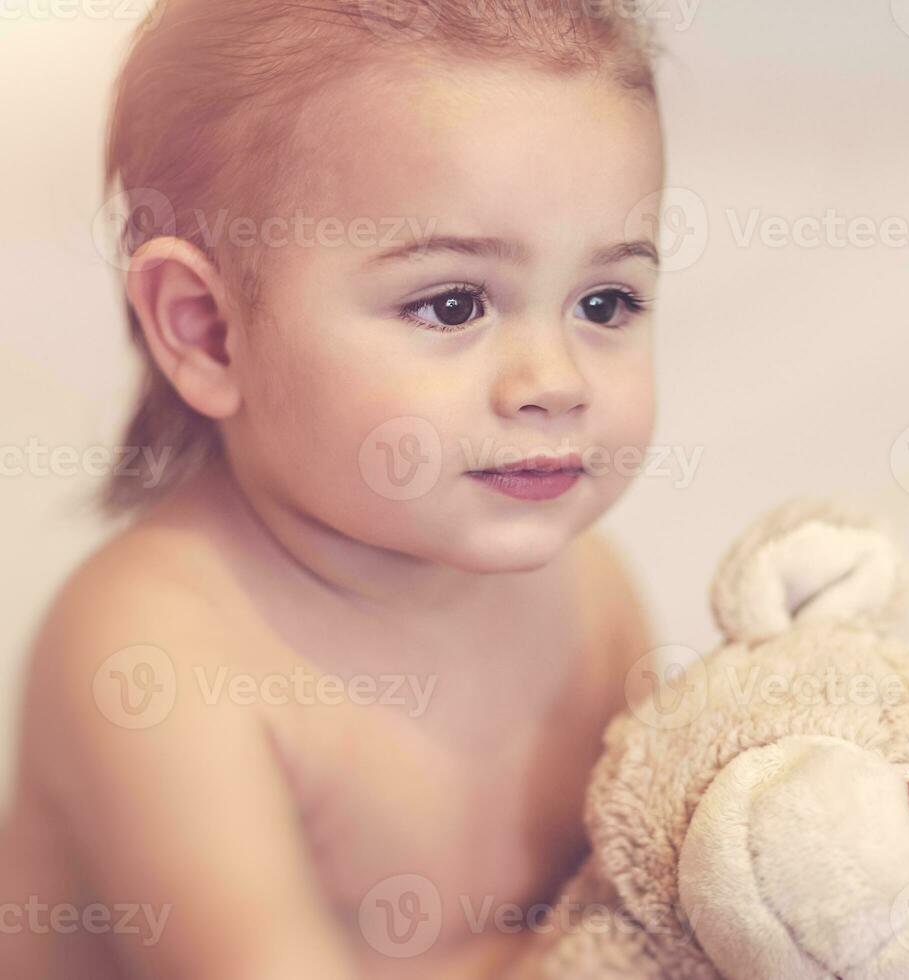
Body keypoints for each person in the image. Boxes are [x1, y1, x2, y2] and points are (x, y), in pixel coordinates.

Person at [0, 1, 666, 976]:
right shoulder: (156, 652)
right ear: (207, 330)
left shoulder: (589, 588)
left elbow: (648, 889)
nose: (556, 380)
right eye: (453, 303)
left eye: (605, 302)